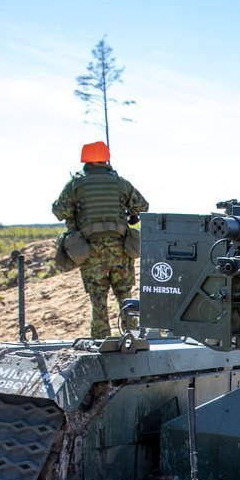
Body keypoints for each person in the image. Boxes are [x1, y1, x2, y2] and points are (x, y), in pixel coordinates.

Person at [52, 141, 149, 338]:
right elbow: (143, 206)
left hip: (90, 251)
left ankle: (100, 342)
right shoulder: (120, 183)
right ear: (106, 158)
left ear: (85, 159)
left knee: (97, 299)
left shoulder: (75, 185)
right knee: (125, 296)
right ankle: (132, 337)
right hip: (120, 250)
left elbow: (59, 211)